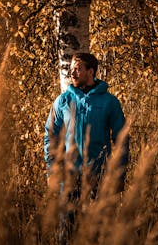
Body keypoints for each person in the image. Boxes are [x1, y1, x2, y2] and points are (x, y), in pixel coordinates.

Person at [44, 52, 128, 198]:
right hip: (70, 177)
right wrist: (52, 171)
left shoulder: (109, 102)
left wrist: (119, 175)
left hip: (100, 176)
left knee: (100, 221)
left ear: (91, 72)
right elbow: (51, 136)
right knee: (69, 221)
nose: (73, 73)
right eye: (71, 69)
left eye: (78, 69)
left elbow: (121, 139)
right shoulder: (63, 101)